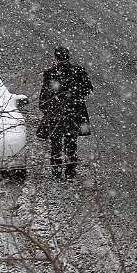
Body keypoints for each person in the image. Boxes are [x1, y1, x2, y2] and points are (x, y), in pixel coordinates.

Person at [37, 45, 92, 179]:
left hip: (57, 114)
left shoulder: (51, 73)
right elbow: (87, 89)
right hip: (73, 113)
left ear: (56, 58)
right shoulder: (78, 71)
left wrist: (47, 109)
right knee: (71, 142)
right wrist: (74, 96)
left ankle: (57, 171)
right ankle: (70, 170)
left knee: (56, 143)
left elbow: (44, 97)